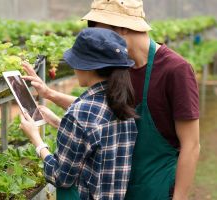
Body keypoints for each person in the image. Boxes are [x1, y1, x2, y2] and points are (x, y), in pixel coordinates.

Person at [23, 0, 200, 199]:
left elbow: (191, 144)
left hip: (154, 187)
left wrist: (180, 197)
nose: (97, 37)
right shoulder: (119, 68)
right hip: (118, 187)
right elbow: (102, 111)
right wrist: (50, 94)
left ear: (122, 28)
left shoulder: (175, 70)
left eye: (98, 29)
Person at [20, 27, 138, 200]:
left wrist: (37, 141)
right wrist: (58, 120)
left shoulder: (80, 113)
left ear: (88, 67)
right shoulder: (123, 103)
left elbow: (61, 177)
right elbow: (94, 140)